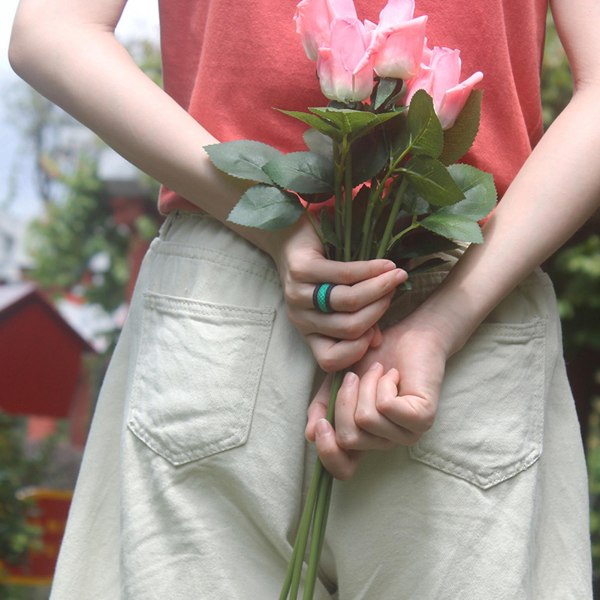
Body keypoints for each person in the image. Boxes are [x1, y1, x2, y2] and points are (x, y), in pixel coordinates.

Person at [9, 0, 598, 597]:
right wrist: (442, 323)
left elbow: (52, 33)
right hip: (471, 291)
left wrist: (279, 228)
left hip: (226, 296)